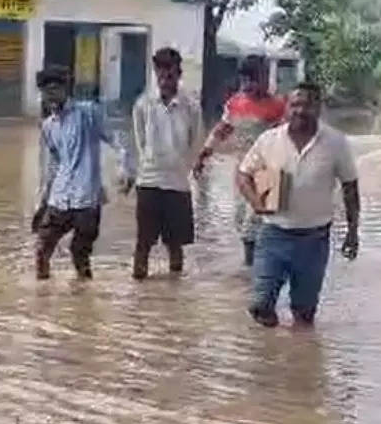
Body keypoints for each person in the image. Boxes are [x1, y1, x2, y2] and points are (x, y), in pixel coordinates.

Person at [235, 83, 359, 328]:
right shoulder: (269, 140)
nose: (300, 110)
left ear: (318, 108)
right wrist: (256, 202)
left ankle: (301, 360)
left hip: (314, 238)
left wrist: (352, 232)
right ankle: (270, 358)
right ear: (286, 108)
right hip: (273, 233)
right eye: (295, 104)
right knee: (260, 307)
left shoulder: (336, 142)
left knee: (304, 314)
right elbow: (243, 174)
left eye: (307, 105)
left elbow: (350, 188)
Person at [32, 65, 134, 280]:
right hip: (59, 198)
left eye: (54, 89)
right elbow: (53, 164)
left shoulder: (88, 113)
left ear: (65, 89)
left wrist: (125, 168)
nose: (50, 95)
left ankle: (83, 301)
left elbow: (116, 140)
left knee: (79, 253)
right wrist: (42, 201)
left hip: (87, 199)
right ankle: (42, 299)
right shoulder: (48, 126)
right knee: (42, 249)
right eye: (45, 91)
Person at [193, 56, 286, 266]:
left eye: (259, 78)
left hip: (269, 173)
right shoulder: (235, 104)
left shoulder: (278, 106)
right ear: (243, 80)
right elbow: (221, 131)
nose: (254, 84)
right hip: (242, 172)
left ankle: (256, 270)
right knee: (240, 220)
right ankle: (253, 269)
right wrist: (203, 155)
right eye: (249, 80)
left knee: (259, 224)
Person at [132, 47, 202, 280]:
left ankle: (175, 293)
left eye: (169, 75)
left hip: (178, 183)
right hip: (149, 181)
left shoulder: (191, 106)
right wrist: (147, 166)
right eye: (160, 75)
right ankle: (139, 291)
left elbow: (196, 142)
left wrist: (184, 168)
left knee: (176, 245)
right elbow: (140, 142)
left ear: (178, 74)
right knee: (143, 243)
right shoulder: (143, 104)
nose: (164, 80)